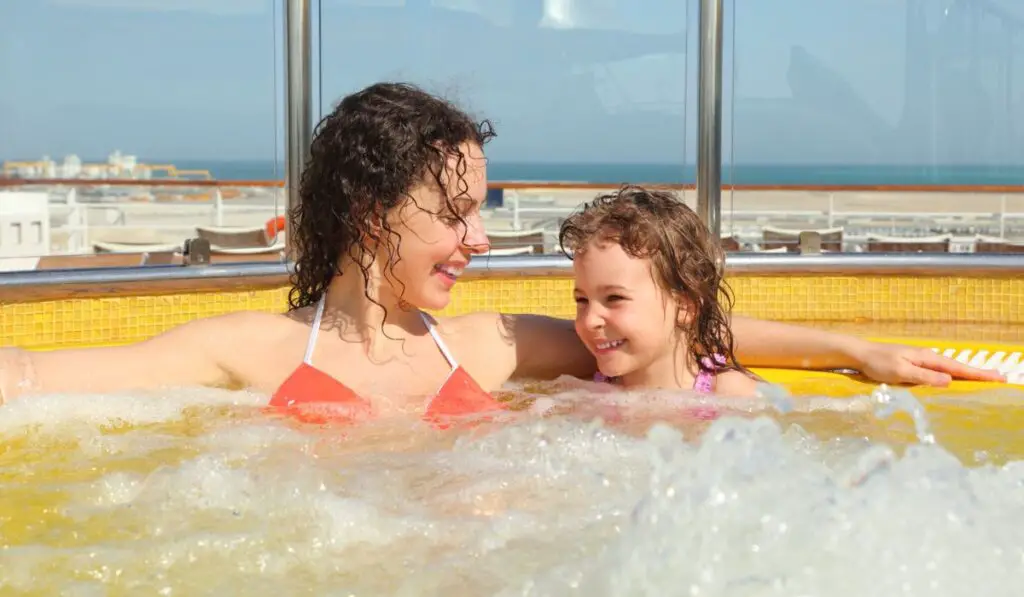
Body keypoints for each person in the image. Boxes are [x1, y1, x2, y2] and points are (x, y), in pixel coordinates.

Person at [0, 82, 1003, 423]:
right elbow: (39, 372)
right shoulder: (249, 352)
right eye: (455, 213)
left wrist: (852, 352)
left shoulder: (485, 348)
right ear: (367, 214)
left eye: (482, 210)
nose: (480, 239)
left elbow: (670, 341)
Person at [561, 185, 758, 396]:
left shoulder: (731, 393)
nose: (590, 321)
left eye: (614, 298)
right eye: (582, 300)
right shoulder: (587, 395)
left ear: (685, 307)